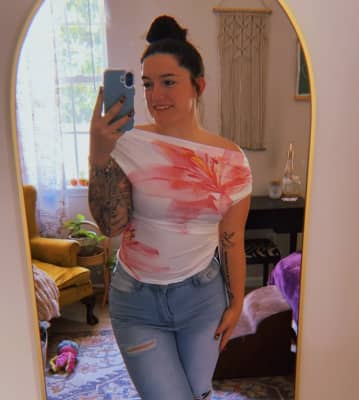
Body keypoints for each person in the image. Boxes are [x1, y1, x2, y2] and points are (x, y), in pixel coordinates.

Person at [88, 15, 252, 400]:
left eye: (168, 82)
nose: (155, 95)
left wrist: (237, 303)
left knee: (197, 393)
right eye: (147, 84)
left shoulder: (230, 160)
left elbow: (232, 241)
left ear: (199, 85)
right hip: (137, 301)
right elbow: (110, 225)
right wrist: (99, 154)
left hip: (202, 299)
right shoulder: (126, 142)